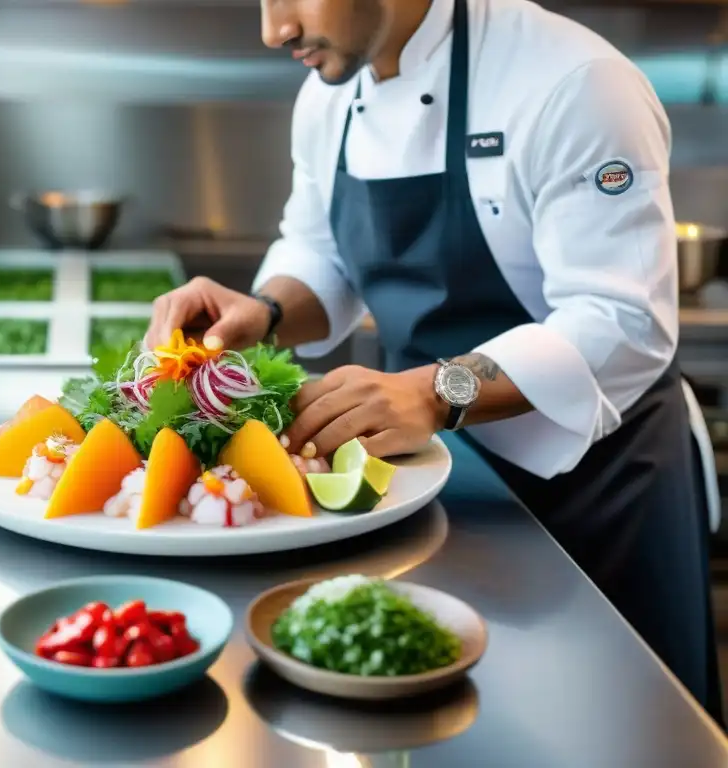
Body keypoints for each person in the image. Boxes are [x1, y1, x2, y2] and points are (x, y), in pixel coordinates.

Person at [145, 0, 723, 721]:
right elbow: (320, 255)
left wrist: (437, 390)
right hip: (426, 478)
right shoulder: (329, 94)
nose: (275, 29)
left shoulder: (576, 82)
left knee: (610, 726)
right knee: (455, 723)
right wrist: (261, 315)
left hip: (595, 492)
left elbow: (624, 322)